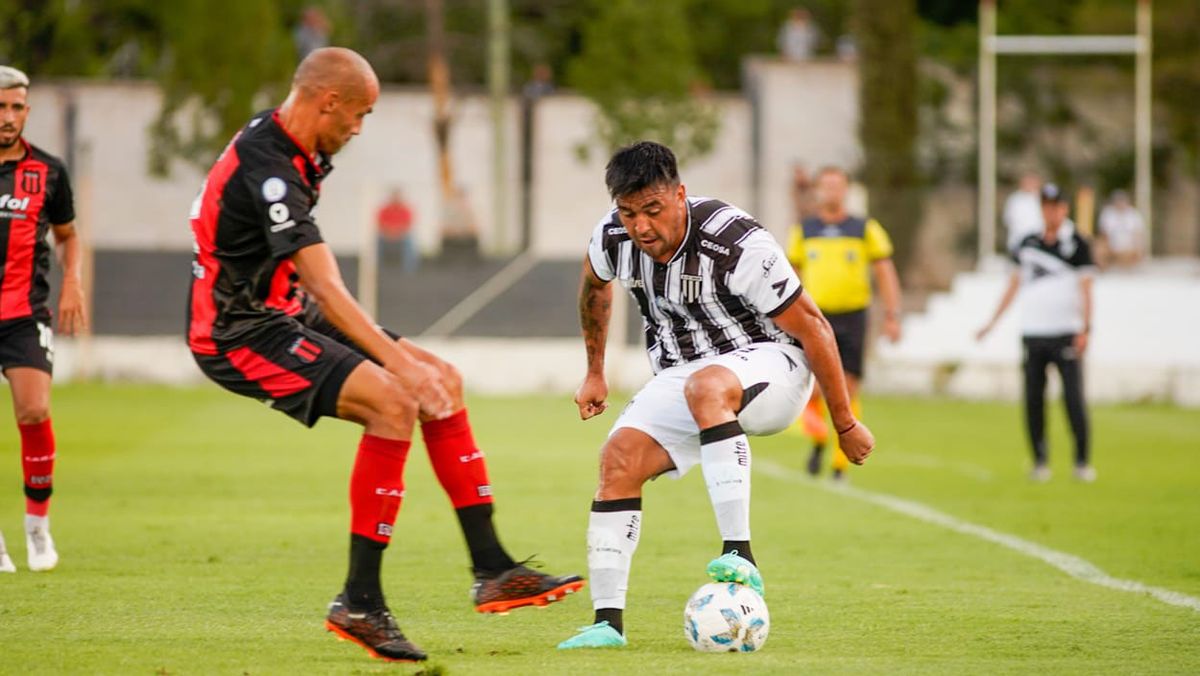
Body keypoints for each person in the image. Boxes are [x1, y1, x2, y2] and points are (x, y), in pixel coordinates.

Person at [185, 48, 582, 663]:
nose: (359, 128)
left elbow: (309, 277)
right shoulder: (272, 169)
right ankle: (360, 604)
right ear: (329, 101)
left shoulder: (297, 146)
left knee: (442, 381)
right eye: (360, 114)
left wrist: (406, 362)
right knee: (395, 401)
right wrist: (396, 362)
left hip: (282, 310)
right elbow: (322, 284)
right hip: (237, 330)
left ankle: (493, 567)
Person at [557, 141, 873, 650]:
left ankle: (740, 554)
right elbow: (594, 287)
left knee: (709, 386)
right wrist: (595, 371)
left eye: (653, 210)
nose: (641, 227)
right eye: (629, 213)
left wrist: (844, 423)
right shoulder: (612, 237)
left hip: (776, 365)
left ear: (680, 195)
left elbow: (813, 327)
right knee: (618, 459)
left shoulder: (737, 241)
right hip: (683, 373)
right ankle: (607, 624)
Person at [0, 66, 86, 574]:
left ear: (27, 111)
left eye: (16, 107)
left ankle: (37, 527)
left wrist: (72, 279)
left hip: (22, 312)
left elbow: (68, 234)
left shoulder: (48, 171)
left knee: (33, 411)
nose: (8, 117)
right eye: (0, 107)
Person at [785, 166, 901, 481]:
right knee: (814, 391)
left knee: (849, 389)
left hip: (853, 317)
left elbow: (885, 271)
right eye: (826, 186)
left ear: (846, 190)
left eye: (838, 186)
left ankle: (839, 464)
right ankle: (819, 438)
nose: (832, 192)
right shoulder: (804, 230)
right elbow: (790, 277)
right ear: (819, 190)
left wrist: (892, 315)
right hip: (815, 317)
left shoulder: (864, 228)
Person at [976, 183, 1096, 483]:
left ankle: (1081, 460)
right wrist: (992, 322)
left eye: (1056, 206)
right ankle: (1040, 460)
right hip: (1034, 332)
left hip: (1065, 331)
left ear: (1064, 209)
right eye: (1046, 205)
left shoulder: (1077, 243)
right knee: (1033, 399)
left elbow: (1086, 289)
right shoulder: (1027, 242)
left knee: (1072, 399)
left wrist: (1086, 328)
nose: (1051, 211)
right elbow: (1014, 284)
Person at [1096, 190, 1146, 269]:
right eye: (1118, 201)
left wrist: (1136, 249)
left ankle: (1128, 267)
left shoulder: (1134, 214)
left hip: (1129, 248)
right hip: (1111, 247)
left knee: (1134, 252)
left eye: (1122, 201)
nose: (1120, 204)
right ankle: (1104, 269)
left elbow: (1138, 235)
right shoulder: (1108, 213)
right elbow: (1103, 234)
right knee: (1099, 248)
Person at [376, 187, 417, 273]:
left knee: (409, 240)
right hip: (387, 235)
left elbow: (407, 226)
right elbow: (380, 224)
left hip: (401, 236)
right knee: (378, 239)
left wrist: (397, 232)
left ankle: (409, 269)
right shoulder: (385, 209)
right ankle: (377, 268)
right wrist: (390, 232)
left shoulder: (405, 209)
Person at [1003, 172, 1044, 254]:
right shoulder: (1014, 200)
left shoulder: (1042, 199)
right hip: (1018, 243)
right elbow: (1008, 220)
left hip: (1038, 243)